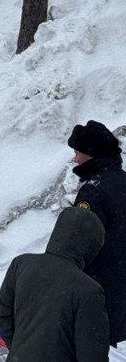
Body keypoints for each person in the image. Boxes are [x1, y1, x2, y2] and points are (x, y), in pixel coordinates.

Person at [0, 206, 110, 361]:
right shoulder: (88, 290)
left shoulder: (22, 264)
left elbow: (3, 315)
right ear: (91, 246)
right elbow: (93, 354)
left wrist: (22, 352)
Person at [68, 120, 126, 346]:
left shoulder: (93, 191)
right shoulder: (122, 180)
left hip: (98, 288)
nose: (75, 159)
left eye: (77, 152)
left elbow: (78, 243)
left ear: (91, 154)